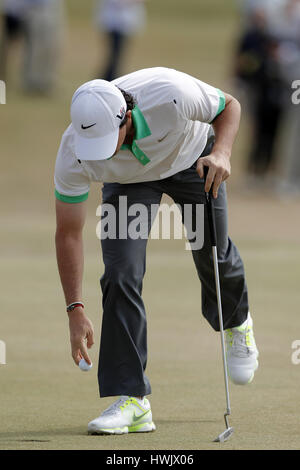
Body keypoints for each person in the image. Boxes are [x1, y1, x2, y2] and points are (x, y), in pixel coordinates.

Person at [54, 67, 259, 435]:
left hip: (192, 159)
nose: (99, 151)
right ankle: (132, 400)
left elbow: (229, 105)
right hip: (128, 182)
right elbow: (68, 232)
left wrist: (223, 152)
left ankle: (236, 321)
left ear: (126, 118)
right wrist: (75, 308)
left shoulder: (171, 94)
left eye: (107, 138)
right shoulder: (75, 152)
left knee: (212, 254)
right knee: (120, 273)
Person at [94, 0, 146, 81]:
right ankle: (108, 79)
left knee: (117, 56)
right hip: (115, 23)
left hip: (123, 24)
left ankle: (110, 78)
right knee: (115, 56)